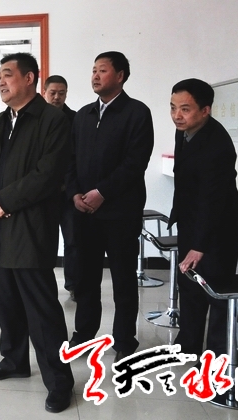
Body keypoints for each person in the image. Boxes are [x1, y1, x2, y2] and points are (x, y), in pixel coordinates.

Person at [0, 53, 74, 413]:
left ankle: (59, 381)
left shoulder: (52, 120)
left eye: (8, 75)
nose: (1, 82)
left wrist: (6, 200)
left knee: (41, 310)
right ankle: (13, 360)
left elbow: (49, 173)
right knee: (6, 303)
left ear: (30, 78)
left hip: (30, 228)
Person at [66, 51, 154, 362]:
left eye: (102, 70)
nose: (95, 75)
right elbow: (70, 160)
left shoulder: (137, 113)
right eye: (93, 70)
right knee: (86, 279)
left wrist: (102, 192)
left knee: (123, 280)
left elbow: (135, 163)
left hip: (120, 213)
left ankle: (125, 341)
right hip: (85, 213)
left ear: (120, 76)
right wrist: (75, 194)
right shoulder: (83, 115)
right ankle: (83, 335)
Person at [169, 78, 238, 358]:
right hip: (191, 223)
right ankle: (188, 345)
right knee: (189, 286)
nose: (177, 115)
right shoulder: (184, 132)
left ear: (205, 110)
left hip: (218, 231)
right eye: (173, 107)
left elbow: (213, 200)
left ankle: (217, 356)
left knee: (216, 291)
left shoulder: (218, 145)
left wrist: (200, 245)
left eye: (185, 109)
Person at [42, 75, 78, 300]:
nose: (57, 97)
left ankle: (73, 284)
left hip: (68, 192)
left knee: (73, 240)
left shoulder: (76, 119)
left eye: (61, 93)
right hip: (43, 193)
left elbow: (78, 156)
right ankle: (44, 288)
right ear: (44, 92)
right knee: (44, 241)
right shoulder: (35, 119)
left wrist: (70, 185)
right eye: (52, 93)